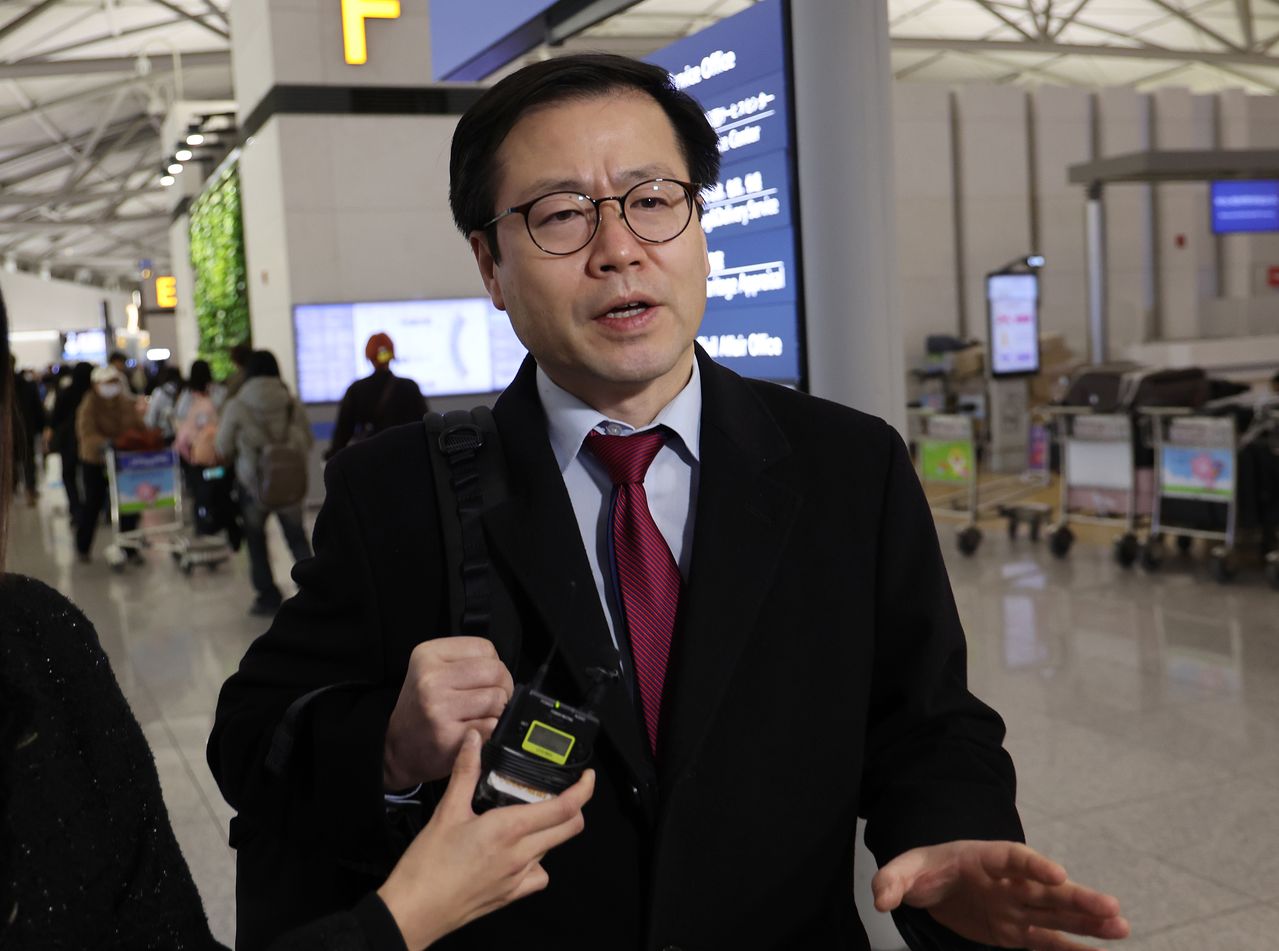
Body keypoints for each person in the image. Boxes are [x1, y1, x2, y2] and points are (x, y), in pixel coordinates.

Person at [210, 54, 1129, 951]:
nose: (619, 250)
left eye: (653, 202)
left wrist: (946, 836)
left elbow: (926, 722)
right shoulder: (398, 492)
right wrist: (393, 743)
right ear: (490, 265)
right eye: (561, 214)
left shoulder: (847, 465)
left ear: (696, 226)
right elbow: (249, 739)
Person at [0, 284, 595, 951]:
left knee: (260, 534)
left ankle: (264, 579)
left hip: (255, 479)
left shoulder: (37, 642)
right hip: (292, 491)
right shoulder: (37, 644)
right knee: (279, 530)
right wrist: (402, 902)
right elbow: (248, 741)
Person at [215, 350, 314, 616]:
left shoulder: (237, 405)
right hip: (290, 484)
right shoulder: (291, 403)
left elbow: (222, 446)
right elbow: (308, 441)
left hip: (252, 485)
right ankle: (315, 590)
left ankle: (268, 596)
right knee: (296, 537)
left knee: (256, 541)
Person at [74, 365, 146, 562]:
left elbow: (138, 425)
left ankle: (130, 547)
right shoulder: (88, 406)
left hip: (123, 462)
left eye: (114, 382)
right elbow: (86, 434)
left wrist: (147, 437)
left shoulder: (125, 402)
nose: (111, 387)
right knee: (93, 504)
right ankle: (83, 546)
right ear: (96, 385)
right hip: (96, 461)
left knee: (129, 504)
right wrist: (106, 443)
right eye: (107, 383)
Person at [326, 332, 428, 459]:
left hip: (371, 460)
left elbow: (343, 433)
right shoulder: (410, 387)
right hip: (406, 458)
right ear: (391, 355)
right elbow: (425, 425)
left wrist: (332, 456)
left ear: (369, 357)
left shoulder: (356, 390)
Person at [43, 361, 93, 522]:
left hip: (68, 440)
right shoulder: (92, 394)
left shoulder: (66, 392)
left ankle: (76, 509)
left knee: (69, 475)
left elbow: (55, 417)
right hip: (88, 440)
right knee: (89, 476)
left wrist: (49, 433)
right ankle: (91, 508)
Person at [8, 355, 43, 506]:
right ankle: (29, 489)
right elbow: (37, 408)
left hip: (11, 432)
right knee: (27, 461)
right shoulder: (27, 385)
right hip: (25, 429)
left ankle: (13, 490)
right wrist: (40, 427)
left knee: (11, 462)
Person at [144, 364, 183, 440]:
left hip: (165, 435)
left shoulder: (159, 392)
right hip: (181, 434)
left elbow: (151, 417)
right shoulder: (184, 391)